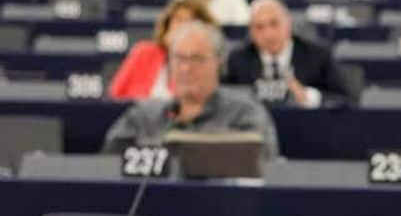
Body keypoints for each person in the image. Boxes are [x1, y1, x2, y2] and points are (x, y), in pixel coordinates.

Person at [103, 21, 279, 159]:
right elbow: (107, 166)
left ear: (219, 63)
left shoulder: (245, 113)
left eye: (197, 58)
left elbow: (263, 165)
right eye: (179, 58)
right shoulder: (143, 116)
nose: (186, 68)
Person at [223, 0, 354, 107]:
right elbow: (223, 99)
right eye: (259, 27)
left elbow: (344, 99)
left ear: (288, 24)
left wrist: (309, 97)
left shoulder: (318, 56)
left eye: (274, 24)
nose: (268, 34)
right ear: (251, 32)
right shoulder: (238, 60)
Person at [109, 0, 217, 100]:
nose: (182, 27)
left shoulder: (203, 63)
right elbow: (115, 94)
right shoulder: (143, 51)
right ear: (168, 25)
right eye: (178, 20)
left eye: (189, 22)